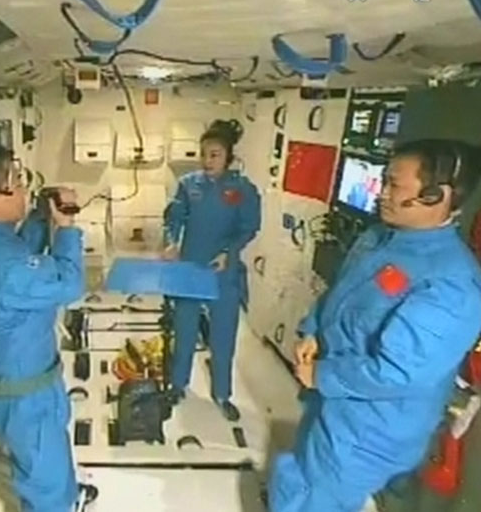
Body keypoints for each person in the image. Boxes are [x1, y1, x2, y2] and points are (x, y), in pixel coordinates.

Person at [268, 139, 481, 512]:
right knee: (299, 479)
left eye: (394, 185)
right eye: (384, 181)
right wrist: (313, 330)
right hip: (331, 403)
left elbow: (398, 373)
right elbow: (339, 292)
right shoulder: (379, 237)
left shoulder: (453, 285)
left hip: (367, 432)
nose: (381, 193)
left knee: (316, 500)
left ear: (436, 196)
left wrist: (321, 375)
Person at [0, 147, 95, 511]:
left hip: (7, 380)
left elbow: (21, 253)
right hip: (25, 396)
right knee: (43, 476)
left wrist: (39, 217)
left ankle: (65, 494)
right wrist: (66, 226)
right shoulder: (6, 267)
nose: (24, 189)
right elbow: (69, 283)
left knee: (50, 458)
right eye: (16, 183)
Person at [162, 120, 261, 421]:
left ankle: (222, 394)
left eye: (215, 155)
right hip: (190, 270)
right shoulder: (188, 184)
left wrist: (229, 253)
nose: (207, 161)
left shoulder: (242, 189)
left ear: (229, 157)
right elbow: (173, 218)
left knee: (223, 338)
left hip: (223, 273)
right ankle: (178, 386)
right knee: (184, 332)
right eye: (203, 154)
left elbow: (249, 228)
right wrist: (171, 242)